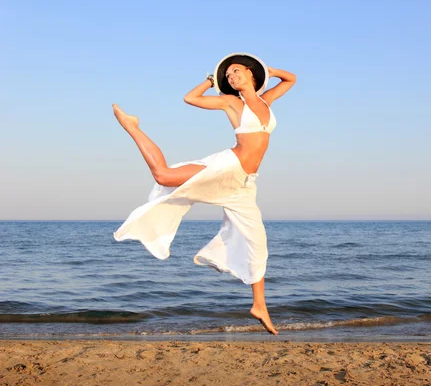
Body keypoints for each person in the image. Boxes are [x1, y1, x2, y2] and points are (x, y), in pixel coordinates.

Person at [112, 53, 296, 335]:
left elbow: (291, 79)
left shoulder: (266, 101)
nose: (232, 77)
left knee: (257, 241)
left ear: (251, 72)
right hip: (228, 167)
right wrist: (211, 81)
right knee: (163, 175)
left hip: (245, 183)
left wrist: (270, 70)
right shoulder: (233, 102)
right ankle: (133, 127)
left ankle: (259, 305)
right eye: (229, 76)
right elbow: (190, 98)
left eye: (236, 72)